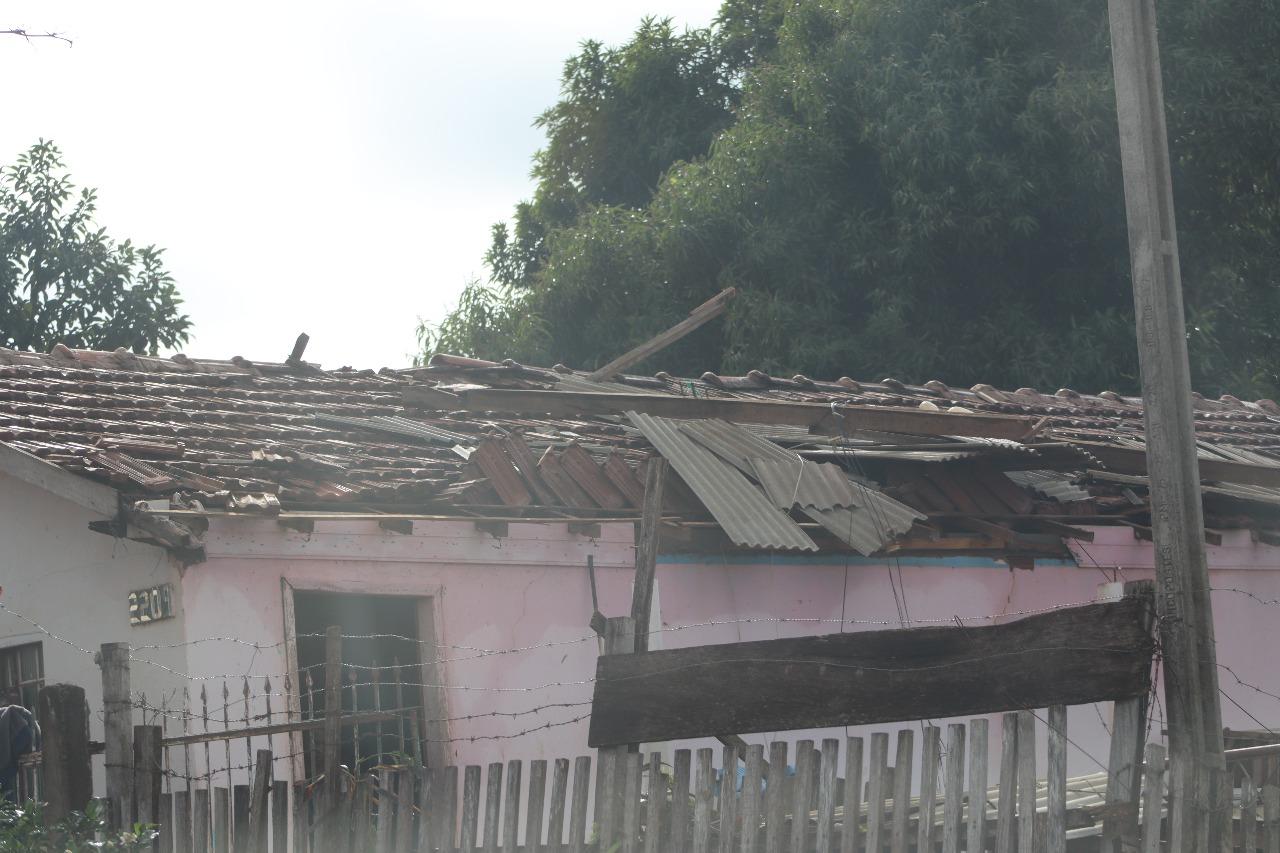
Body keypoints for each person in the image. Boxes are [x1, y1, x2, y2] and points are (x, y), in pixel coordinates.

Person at [0, 694, 40, 803]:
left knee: (5, 775)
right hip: (25, 731)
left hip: (20, 732)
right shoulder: (11, 713)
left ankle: (8, 811)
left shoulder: (8, 715)